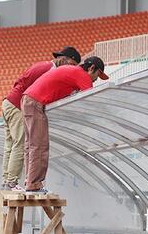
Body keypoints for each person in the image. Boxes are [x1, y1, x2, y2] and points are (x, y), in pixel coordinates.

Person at [21, 56, 109, 194]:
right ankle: (34, 185)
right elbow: (92, 101)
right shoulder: (82, 75)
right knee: (40, 145)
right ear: (92, 68)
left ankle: (30, 182)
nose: (96, 80)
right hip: (35, 103)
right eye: (97, 75)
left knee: (31, 145)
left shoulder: (71, 71)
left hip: (28, 99)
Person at [1, 46, 82, 191]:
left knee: (11, 145)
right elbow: (26, 86)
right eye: (72, 64)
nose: (71, 68)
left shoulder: (44, 67)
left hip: (10, 103)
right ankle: (11, 182)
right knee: (21, 143)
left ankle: (7, 181)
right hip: (16, 105)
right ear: (64, 59)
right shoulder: (46, 68)